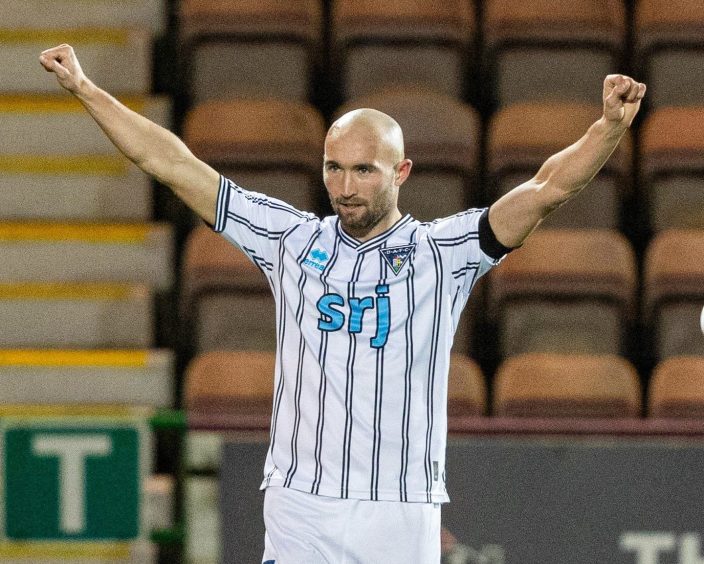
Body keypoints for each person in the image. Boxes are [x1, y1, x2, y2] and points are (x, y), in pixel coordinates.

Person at [39, 43, 646, 564]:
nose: (345, 187)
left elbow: (548, 189)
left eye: (364, 170)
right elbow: (171, 162)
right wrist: (87, 88)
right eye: (333, 168)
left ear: (402, 170)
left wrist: (609, 128)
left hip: (401, 506)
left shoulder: (444, 253)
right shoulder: (289, 240)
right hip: (301, 500)